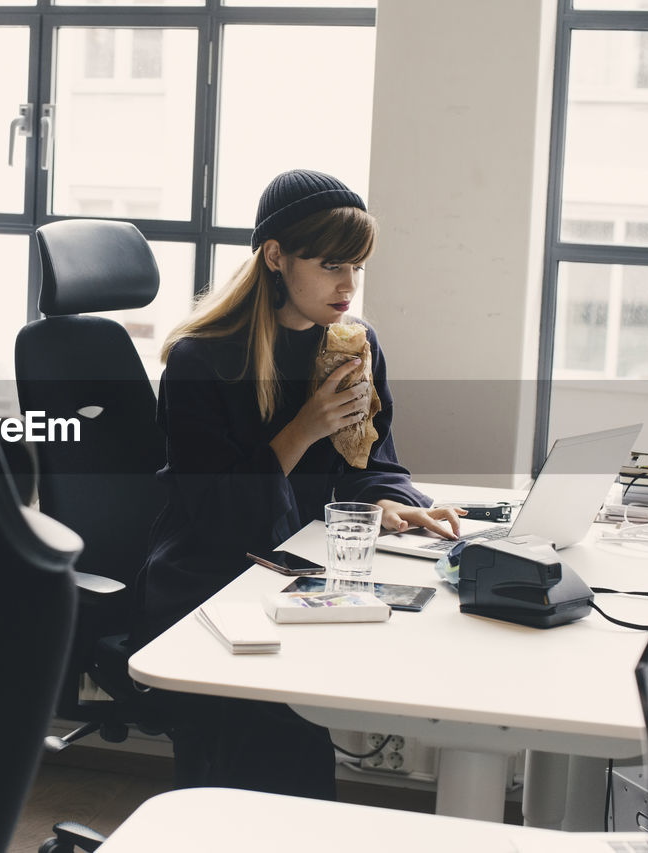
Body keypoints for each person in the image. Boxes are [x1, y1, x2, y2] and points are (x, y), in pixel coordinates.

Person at [135, 169, 462, 798]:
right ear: (276, 257)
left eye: (357, 268)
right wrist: (302, 429)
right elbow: (215, 512)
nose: (348, 286)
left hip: (298, 567)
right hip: (210, 578)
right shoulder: (202, 359)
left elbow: (372, 464)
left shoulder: (354, 345)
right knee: (276, 755)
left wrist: (395, 502)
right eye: (332, 265)